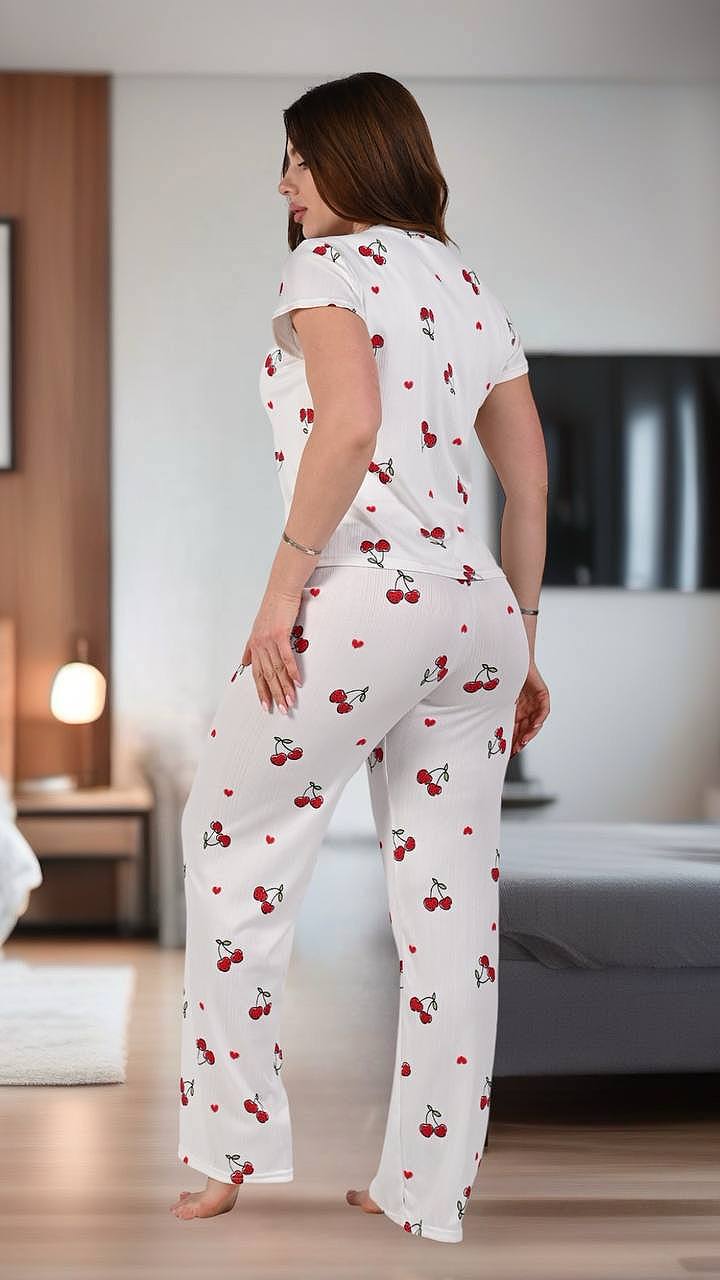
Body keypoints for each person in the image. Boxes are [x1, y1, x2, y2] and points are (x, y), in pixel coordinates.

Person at [170, 71, 550, 1243]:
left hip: (363, 600)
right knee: (451, 904)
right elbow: (531, 482)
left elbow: (349, 424)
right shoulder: (469, 285)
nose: (284, 184)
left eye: (299, 158)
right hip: (478, 616)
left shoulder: (326, 267)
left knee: (229, 841)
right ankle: (425, 1187)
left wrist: (282, 589)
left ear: (354, 157)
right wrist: (526, 645)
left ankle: (228, 1147)